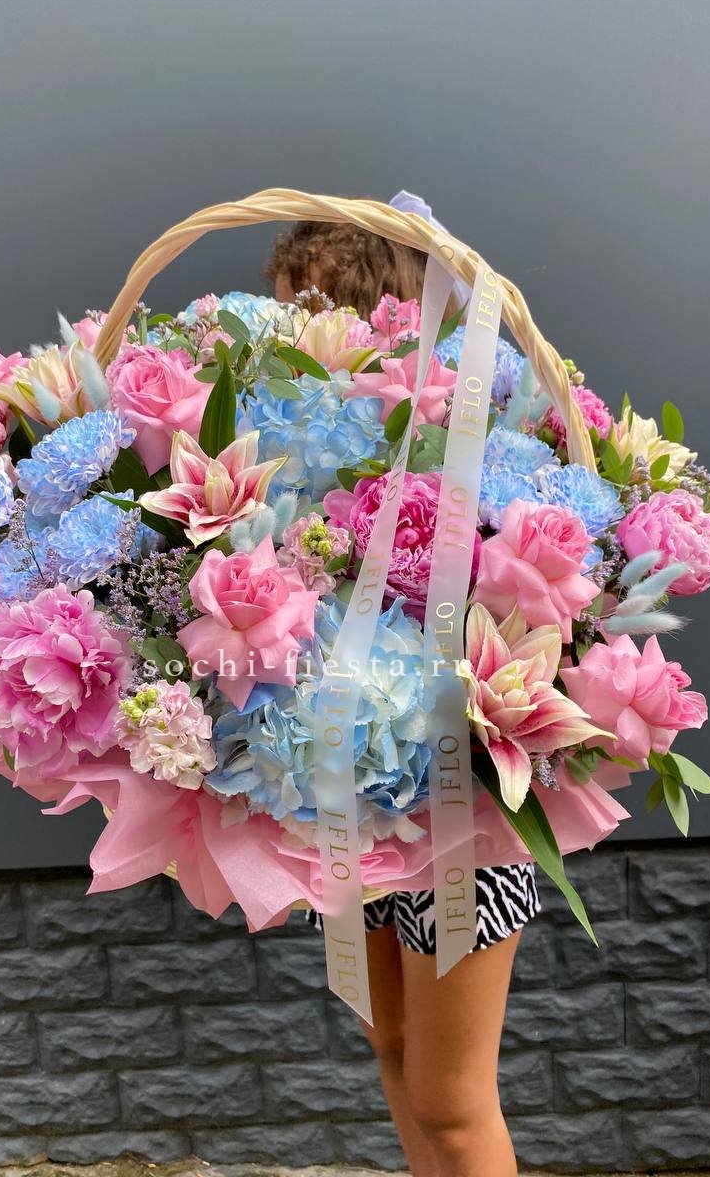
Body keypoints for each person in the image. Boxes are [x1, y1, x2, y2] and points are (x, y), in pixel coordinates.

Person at [264, 212, 543, 1177]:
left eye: (308, 308)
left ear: (379, 313)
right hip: (359, 795)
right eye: (287, 307)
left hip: (461, 811)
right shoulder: (296, 440)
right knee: (389, 1045)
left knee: (451, 1102)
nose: (292, 329)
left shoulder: (464, 446)